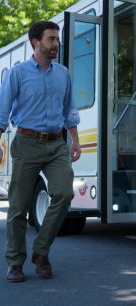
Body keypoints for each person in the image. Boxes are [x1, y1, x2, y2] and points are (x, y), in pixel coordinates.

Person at [0, 21, 81, 283]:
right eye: (51, 39)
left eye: (57, 39)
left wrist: (75, 141)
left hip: (57, 144)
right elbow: (2, 113)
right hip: (27, 143)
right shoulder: (18, 73)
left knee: (64, 193)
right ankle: (15, 262)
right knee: (18, 208)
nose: (56, 44)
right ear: (35, 42)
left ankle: (41, 251)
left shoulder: (63, 74)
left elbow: (69, 111)